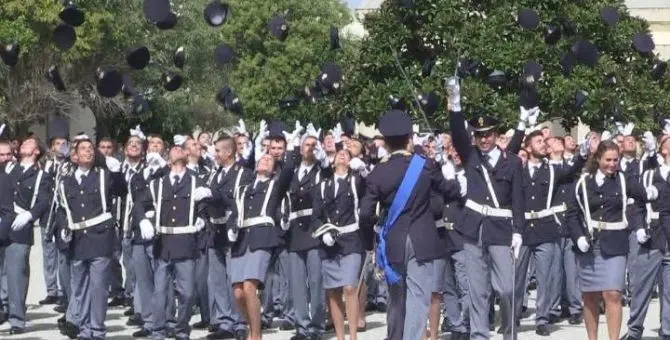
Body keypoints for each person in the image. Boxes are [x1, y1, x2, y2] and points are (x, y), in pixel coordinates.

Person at [359, 109, 463, 340]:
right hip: (422, 239)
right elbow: (450, 191)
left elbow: (365, 213)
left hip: (393, 241)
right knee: (418, 298)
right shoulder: (425, 166)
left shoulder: (377, 172)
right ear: (409, 139)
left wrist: (371, 239)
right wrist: (452, 174)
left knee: (396, 299)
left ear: (384, 143)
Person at [447, 79, 525, 340]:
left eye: (488, 134)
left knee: (506, 289)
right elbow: (457, 132)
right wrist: (455, 104)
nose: (483, 139)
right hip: (473, 229)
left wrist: (518, 231)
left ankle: (509, 333)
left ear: (496, 135)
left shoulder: (512, 162)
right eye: (479, 135)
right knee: (477, 290)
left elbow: (518, 199)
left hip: (502, 230)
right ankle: (480, 334)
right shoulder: (471, 157)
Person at [567, 139, 657, 340]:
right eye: (608, 160)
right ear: (598, 158)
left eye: (615, 160)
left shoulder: (623, 180)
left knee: (613, 294)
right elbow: (572, 214)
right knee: (590, 297)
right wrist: (578, 236)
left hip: (615, 243)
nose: (612, 164)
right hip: (589, 246)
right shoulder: (582, 182)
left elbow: (642, 192)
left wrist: (652, 192)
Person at [133, 143, 211, 340]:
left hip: (186, 243)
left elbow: (209, 207)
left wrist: (204, 219)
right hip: (164, 244)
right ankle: (158, 330)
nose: (177, 150)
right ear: (167, 159)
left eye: (180, 148)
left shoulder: (197, 181)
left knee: (187, 294)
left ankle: (182, 329)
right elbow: (139, 204)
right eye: (173, 149)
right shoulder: (157, 184)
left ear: (187, 155)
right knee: (160, 292)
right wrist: (143, 220)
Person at [55, 137, 127, 339]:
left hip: (100, 238)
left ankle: (97, 329)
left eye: (90, 149)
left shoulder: (103, 176)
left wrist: (117, 171)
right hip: (77, 240)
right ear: (75, 156)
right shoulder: (66, 182)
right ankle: (85, 329)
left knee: (98, 288)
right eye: (83, 149)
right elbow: (63, 210)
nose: (87, 152)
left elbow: (121, 191)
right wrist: (63, 229)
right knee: (79, 289)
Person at [229, 151, 294, 340]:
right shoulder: (243, 189)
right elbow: (235, 212)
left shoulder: (275, 186)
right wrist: (231, 228)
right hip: (242, 240)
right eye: (262, 159)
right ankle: (252, 327)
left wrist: (291, 148)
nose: (264, 160)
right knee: (239, 293)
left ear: (274, 169)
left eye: (269, 160)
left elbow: (288, 171)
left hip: (262, 237)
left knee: (250, 286)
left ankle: (256, 336)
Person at [311, 148, 367, 340]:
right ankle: (340, 336)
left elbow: (369, 190)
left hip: (351, 239)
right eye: (339, 153)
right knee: (333, 291)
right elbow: (316, 216)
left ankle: (353, 336)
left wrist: (363, 171)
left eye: (347, 154)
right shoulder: (322, 185)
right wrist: (324, 232)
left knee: (350, 288)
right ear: (333, 161)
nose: (342, 155)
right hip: (330, 242)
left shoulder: (355, 181)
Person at [0, 136, 52, 334]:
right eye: (23, 142)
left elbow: (43, 201)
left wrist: (30, 215)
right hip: (2, 223)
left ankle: (17, 319)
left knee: (16, 275)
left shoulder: (41, 176)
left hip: (19, 226)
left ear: (37, 151)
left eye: (29, 143)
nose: (23, 144)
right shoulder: (8, 168)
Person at [205, 135, 252, 340]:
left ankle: (240, 321)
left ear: (229, 152)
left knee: (235, 280)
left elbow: (239, 202)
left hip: (234, 231)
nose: (215, 155)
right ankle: (225, 321)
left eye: (217, 151)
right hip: (214, 231)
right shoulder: (214, 175)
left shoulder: (243, 174)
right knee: (217, 279)